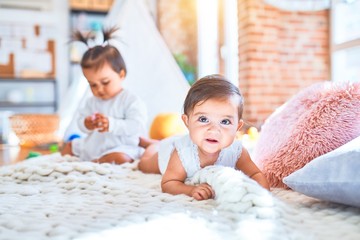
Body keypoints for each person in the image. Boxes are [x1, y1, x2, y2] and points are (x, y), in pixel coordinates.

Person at [138, 74, 270, 200]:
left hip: (181, 141)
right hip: (167, 152)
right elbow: (169, 183)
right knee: (144, 164)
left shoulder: (237, 152)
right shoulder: (181, 153)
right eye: (203, 119)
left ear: (237, 127)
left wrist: (262, 193)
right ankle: (152, 145)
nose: (213, 130)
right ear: (187, 121)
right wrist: (190, 190)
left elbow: (255, 174)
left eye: (225, 122)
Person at [61, 27, 149, 164]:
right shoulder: (91, 102)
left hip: (120, 146)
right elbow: (80, 122)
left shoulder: (130, 100)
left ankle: (97, 163)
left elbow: (137, 126)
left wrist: (112, 124)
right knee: (69, 146)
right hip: (94, 145)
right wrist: (86, 123)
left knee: (121, 158)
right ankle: (79, 163)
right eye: (92, 85)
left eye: (105, 82)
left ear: (121, 75)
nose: (99, 89)